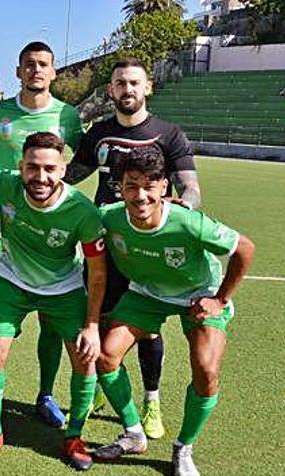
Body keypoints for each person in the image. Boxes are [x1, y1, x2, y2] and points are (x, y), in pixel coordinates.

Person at [89, 145, 254, 476]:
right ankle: (134, 434)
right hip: (147, 293)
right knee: (106, 357)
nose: (141, 195)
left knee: (206, 369)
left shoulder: (187, 222)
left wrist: (220, 299)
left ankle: (184, 446)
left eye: (150, 185)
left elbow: (245, 248)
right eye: (132, 185)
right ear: (120, 186)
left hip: (198, 294)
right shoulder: (110, 217)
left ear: (164, 186)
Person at [65, 57, 203, 438]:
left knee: (147, 330)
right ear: (111, 90)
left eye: (134, 83)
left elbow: (190, 186)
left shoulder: (168, 134)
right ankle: (99, 391)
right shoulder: (99, 133)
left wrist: (185, 207)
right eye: (120, 83)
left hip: (148, 247)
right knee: (102, 320)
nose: (127, 89)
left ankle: (151, 401)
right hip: (106, 243)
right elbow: (72, 174)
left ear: (148, 87)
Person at [0, 132, 107, 470]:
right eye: (32, 168)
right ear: (20, 167)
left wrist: (93, 325)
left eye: (49, 169)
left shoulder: (82, 211)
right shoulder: (4, 182)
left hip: (63, 288)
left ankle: (74, 435)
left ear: (63, 169)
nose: (40, 177)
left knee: (85, 360)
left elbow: (97, 273)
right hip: (12, 281)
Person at [0, 41, 85, 427]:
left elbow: (77, 164)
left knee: (52, 325)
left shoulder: (67, 116)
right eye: (29, 65)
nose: (36, 70)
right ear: (18, 71)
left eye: (43, 65)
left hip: (50, 235)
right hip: (2, 230)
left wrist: (55, 204)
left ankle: (45, 394)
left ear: (53, 72)